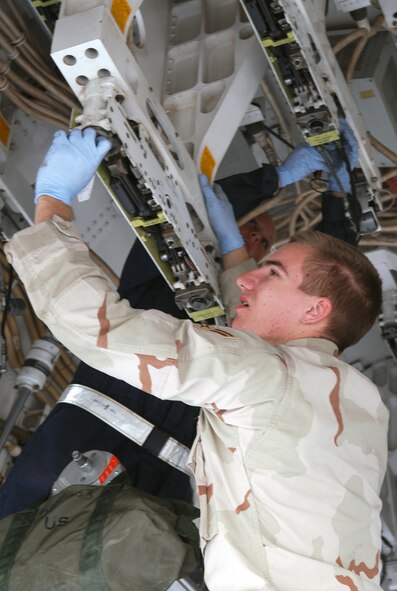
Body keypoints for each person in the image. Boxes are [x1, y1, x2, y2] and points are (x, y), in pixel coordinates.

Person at [3, 128, 388, 591]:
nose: (247, 279)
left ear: (314, 311)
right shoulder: (356, 402)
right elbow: (271, 344)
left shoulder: (277, 378)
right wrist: (236, 250)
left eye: (270, 270)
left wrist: (53, 200)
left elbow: (101, 328)